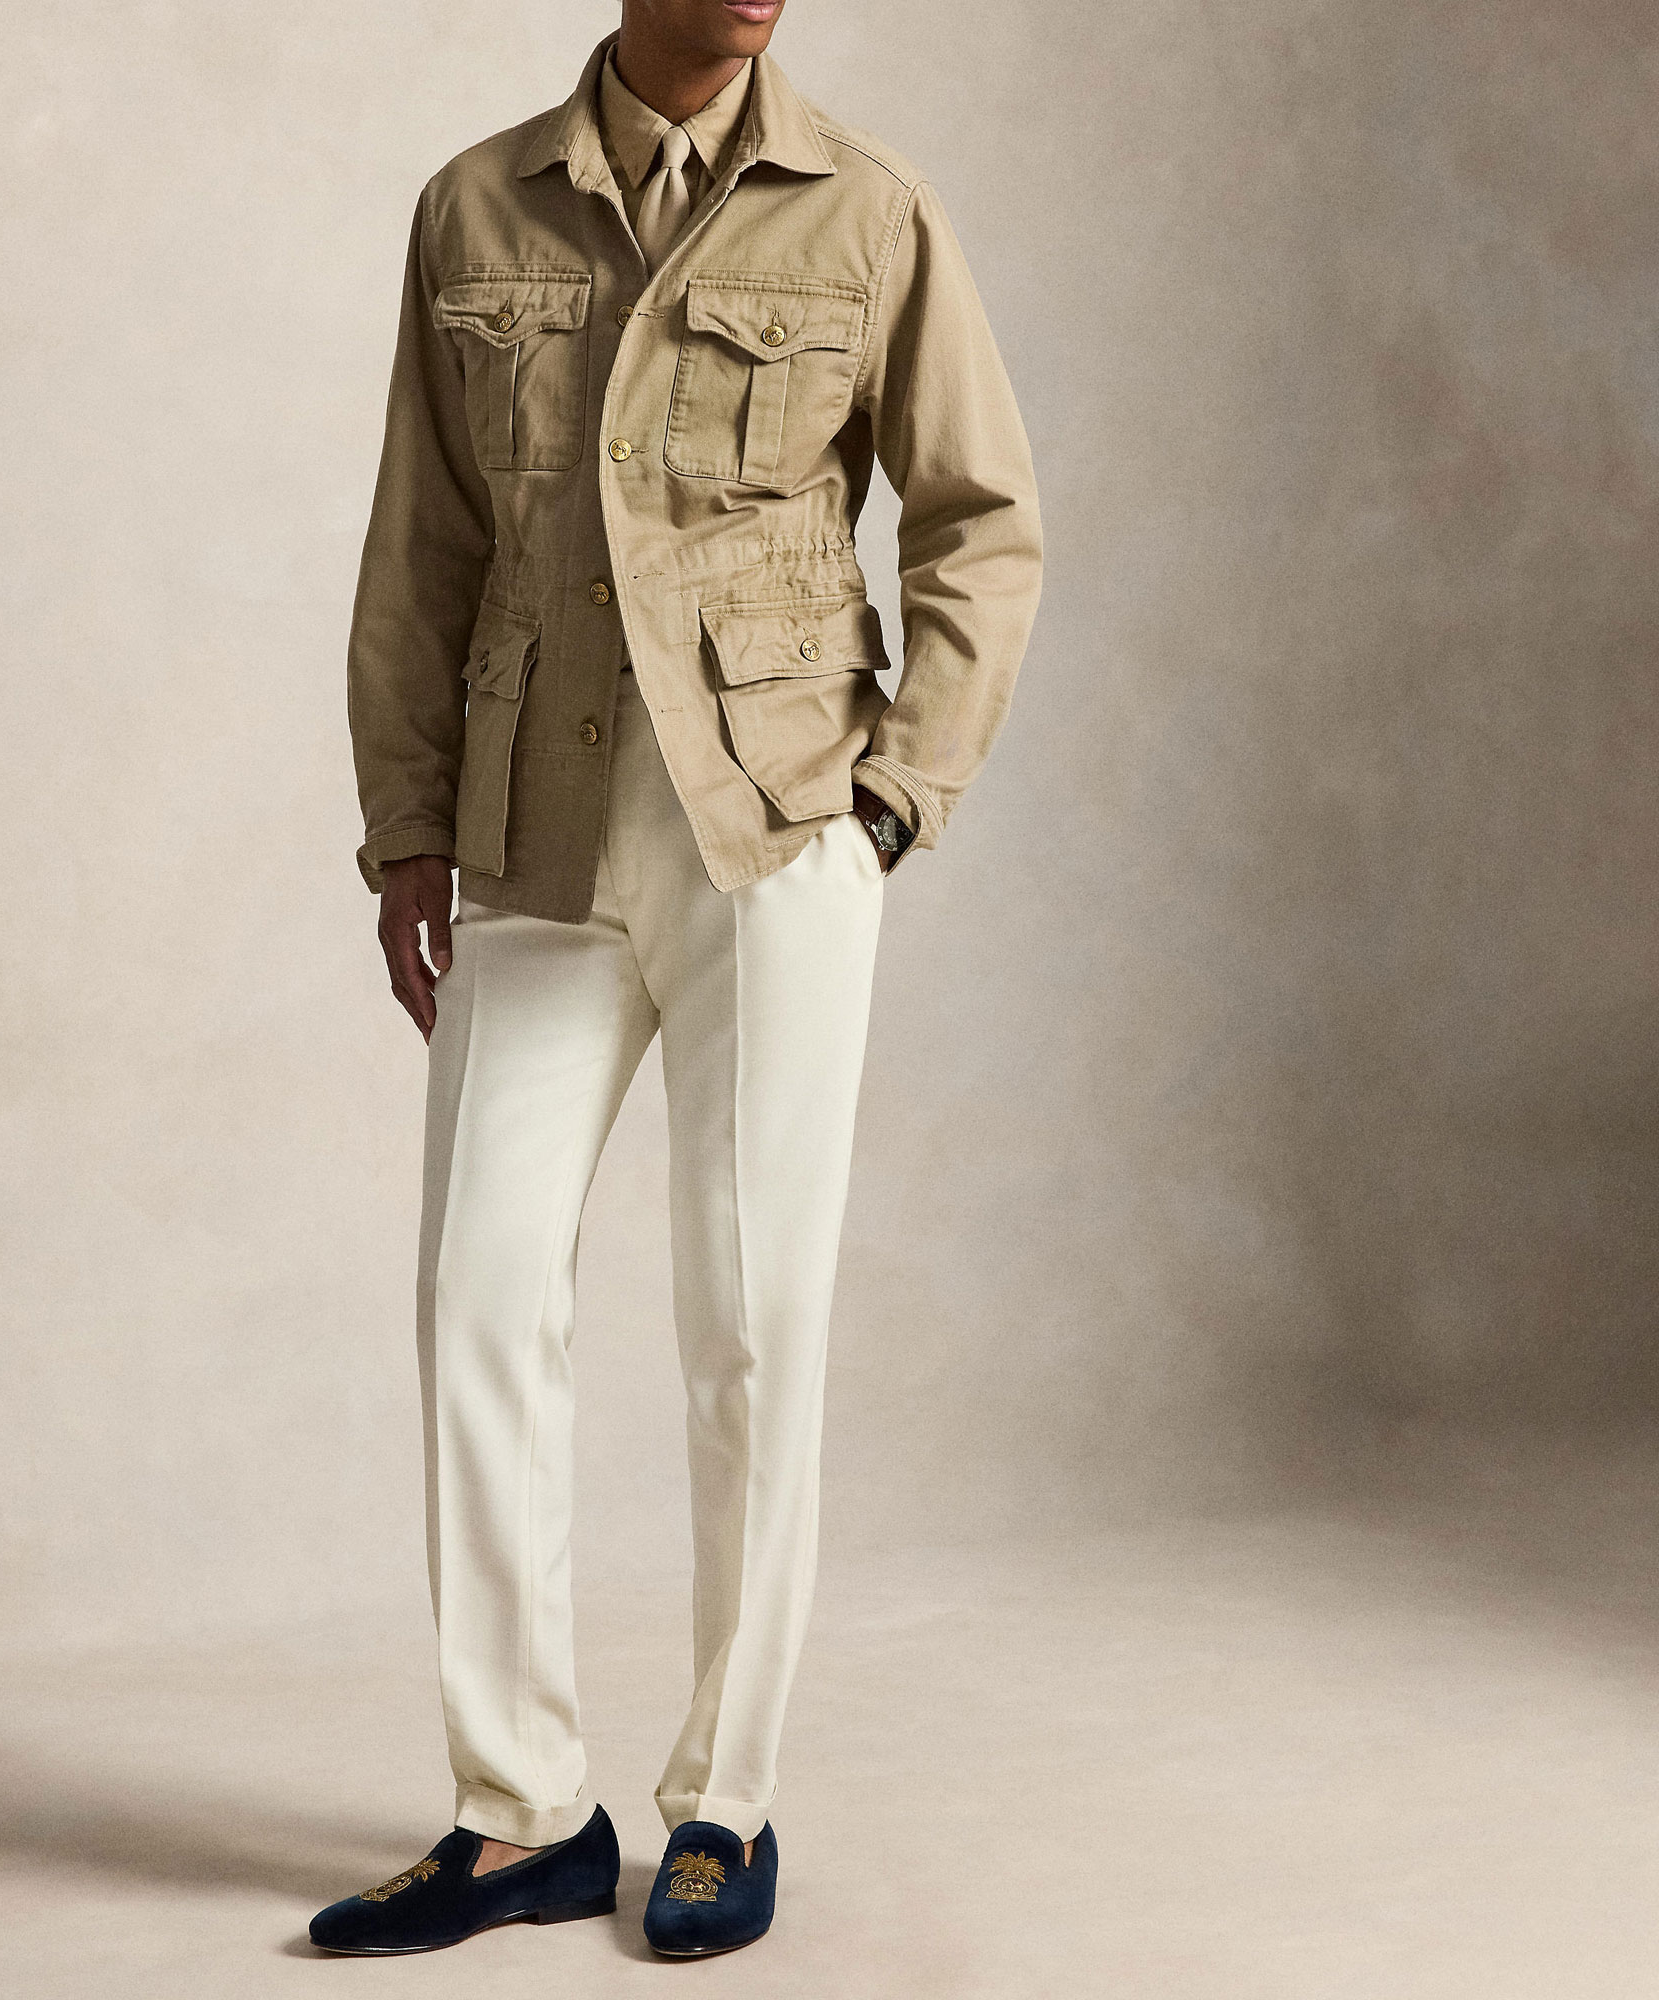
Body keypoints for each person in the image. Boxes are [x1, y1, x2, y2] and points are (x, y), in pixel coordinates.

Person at [311, 0, 1042, 1959]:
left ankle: (725, 1797)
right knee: (478, 1299)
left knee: (751, 1326)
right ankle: (520, 1814)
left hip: (775, 832)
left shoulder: (868, 211)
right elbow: (420, 546)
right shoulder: (475, 210)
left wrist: (894, 798)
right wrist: (404, 823)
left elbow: (982, 524)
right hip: (529, 830)